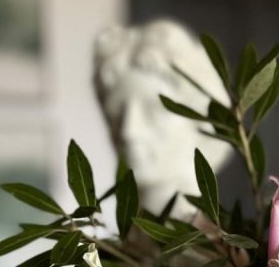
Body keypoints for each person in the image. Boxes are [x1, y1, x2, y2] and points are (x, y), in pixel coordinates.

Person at [93, 20, 232, 214]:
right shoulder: (123, 237)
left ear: (201, 120)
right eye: (117, 111)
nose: (128, 131)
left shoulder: (211, 242)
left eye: (154, 110)